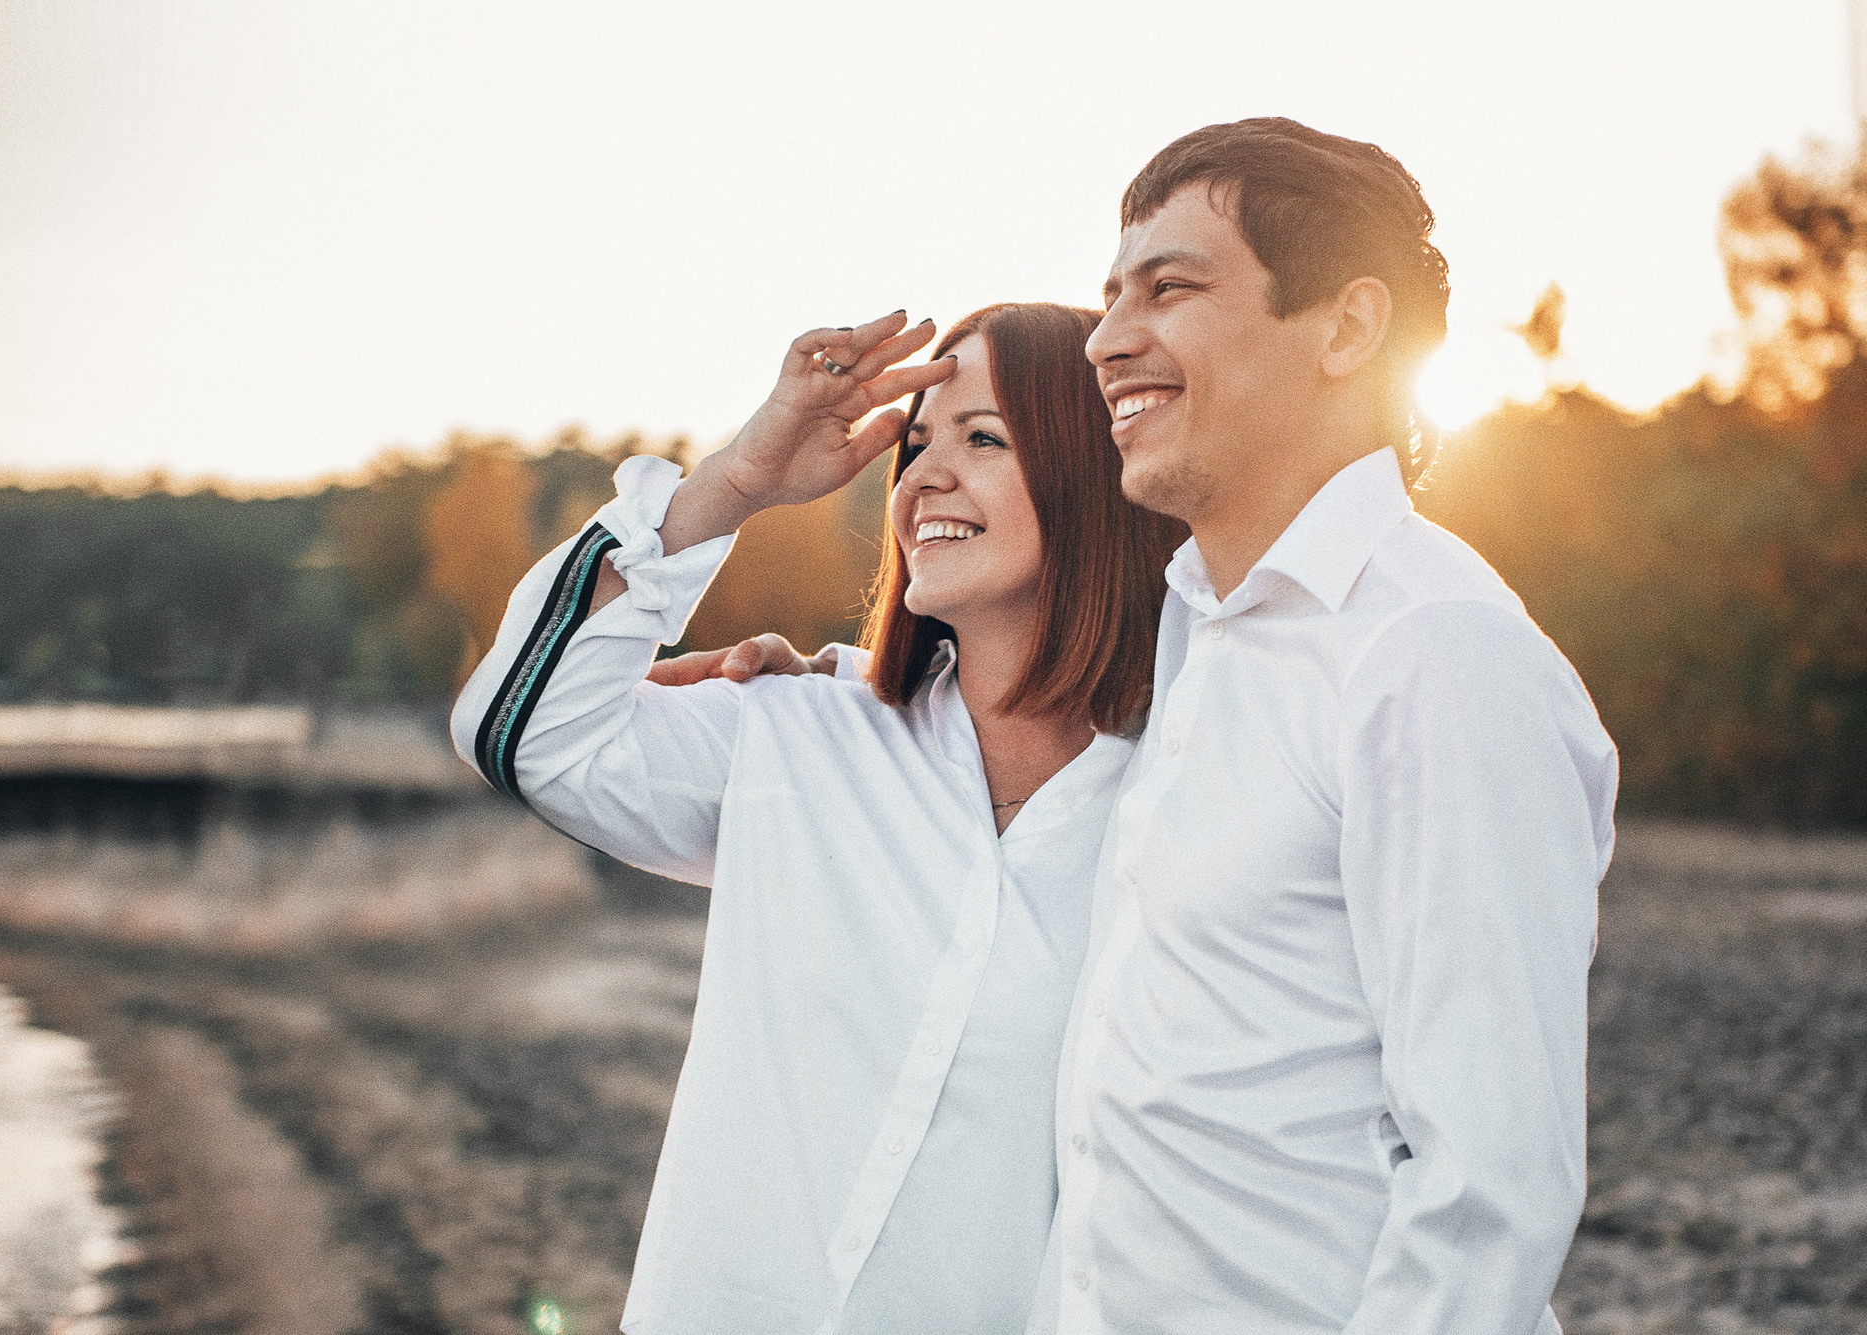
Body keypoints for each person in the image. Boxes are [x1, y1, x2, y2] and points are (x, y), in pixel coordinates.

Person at [687, 119, 1620, 1334]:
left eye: (1167, 289)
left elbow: (1487, 1190)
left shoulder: (1429, 654)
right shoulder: (1196, 627)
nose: (1109, 340)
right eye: (1108, 296)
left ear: (1345, 328)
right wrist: (859, 679)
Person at [449, 303, 1183, 1335]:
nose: (924, 474)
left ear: (1101, 479)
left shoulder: (1188, 806)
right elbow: (519, 735)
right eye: (916, 441)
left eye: (984, 437)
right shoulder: (792, 738)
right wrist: (734, 485)